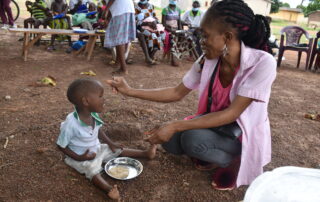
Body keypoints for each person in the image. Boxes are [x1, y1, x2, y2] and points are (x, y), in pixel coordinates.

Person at [107, 0, 276, 191]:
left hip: (240, 134)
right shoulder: (207, 61)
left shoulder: (262, 63)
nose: (200, 42)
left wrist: (174, 125)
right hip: (215, 126)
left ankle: (234, 162)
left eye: (205, 35)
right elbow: (176, 92)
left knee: (191, 140)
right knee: (171, 142)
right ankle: (210, 153)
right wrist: (129, 91)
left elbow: (232, 114)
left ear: (227, 37)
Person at [57, 78, 157, 200]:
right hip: (81, 156)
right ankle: (108, 189)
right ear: (86, 101)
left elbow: (98, 130)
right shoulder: (70, 124)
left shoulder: (93, 114)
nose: (104, 99)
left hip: (96, 148)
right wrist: (80, 157)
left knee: (116, 150)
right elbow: (61, 146)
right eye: (100, 96)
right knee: (91, 169)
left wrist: (111, 143)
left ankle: (145, 154)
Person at [103, 0, 136, 74]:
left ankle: (123, 69)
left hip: (121, 10)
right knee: (122, 38)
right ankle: (118, 63)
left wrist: (106, 9)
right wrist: (108, 18)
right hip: (126, 9)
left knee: (120, 39)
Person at [135, 0, 166, 66]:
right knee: (151, 35)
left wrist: (156, 22)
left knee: (161, 34)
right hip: (140, 27)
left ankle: (151, 56)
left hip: (152, 26)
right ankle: (148, 57)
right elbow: (135, 21)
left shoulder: (151, 6)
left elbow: (154, 16)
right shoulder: (136, 7)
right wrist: (148, 23)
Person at [162, 0, 182, 66]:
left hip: (175, 29)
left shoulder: (178, 9)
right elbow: (163, 23)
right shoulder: (165, 9)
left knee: (175, 44)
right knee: (168, 43)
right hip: (168, 29)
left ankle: (171, 58)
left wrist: (180, 30)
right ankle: (165, 56)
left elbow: (179, 22)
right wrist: (170, 30)